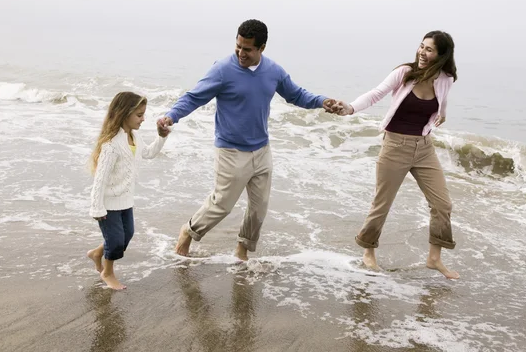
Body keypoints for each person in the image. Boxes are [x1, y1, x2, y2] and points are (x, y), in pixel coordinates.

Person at [158, 19, 336, 261]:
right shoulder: (222, 69)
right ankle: (187, 233)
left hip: (262, 149)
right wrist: (171, 116)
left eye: (248, 49)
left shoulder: (273, 70)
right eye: (238, 47)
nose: (241, 53)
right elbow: (193, 97)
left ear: (261, 48)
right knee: (221, 205)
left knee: (259, 208)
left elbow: (296, 95)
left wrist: (321, 101)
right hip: (231, 150)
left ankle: (242, 250)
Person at [332, 31, 460, 279]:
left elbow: (442, 100)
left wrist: (441, 114)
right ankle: (368, 252)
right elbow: (376, 93)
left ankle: (434, 258)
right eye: (421, 47)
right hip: (394, 146)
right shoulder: (404, 73)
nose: (422, 53)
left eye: (429, 50)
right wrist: (350, 108)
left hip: (424, 148)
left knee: (443, 204)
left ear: (442, 55)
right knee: (382, 205)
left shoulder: (447, 78)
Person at [87, 91, 169, 290]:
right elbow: (100, 179)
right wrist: (97, 208)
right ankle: (107, 272)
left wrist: (161, 137)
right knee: (115, 242)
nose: (143, 119)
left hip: (126, 200)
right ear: (124, 114)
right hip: (108, 203)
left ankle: (98, 253)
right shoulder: (111, 145)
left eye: (143, 114)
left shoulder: (135, 137)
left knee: (127, 235)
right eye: (139, 115)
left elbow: (148, 153)